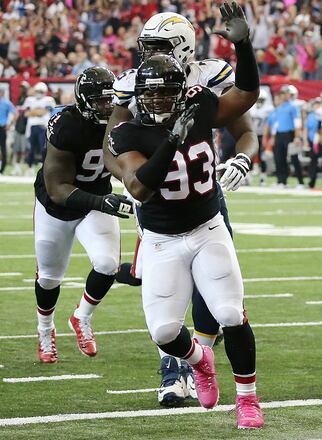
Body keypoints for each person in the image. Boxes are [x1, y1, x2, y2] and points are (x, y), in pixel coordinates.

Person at [108, 4, 262, 428]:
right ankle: (191, 361)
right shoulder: (130, 97)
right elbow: (120, 157)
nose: (146, 60)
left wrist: (244, 46)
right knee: (163, 325)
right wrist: (138, 161)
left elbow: (246, 107)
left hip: (203, 206)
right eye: (145, 49)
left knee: (228, 307)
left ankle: (245, 395)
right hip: (157, 215)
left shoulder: (204, 90)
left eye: (156, 49)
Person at [33, 67, 132, 364]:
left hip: (97, 198)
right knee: (49, 278)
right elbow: (57, 188)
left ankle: (81, 317)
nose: (107, 106)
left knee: (106, 264)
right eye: (101, 101)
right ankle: (45, 329)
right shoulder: (66, 125)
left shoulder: (123, 118)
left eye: (110, 100)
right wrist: (103, 203)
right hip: (58, 206)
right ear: (83, 101)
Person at [270, 85, 302, 188]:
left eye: (287, 93)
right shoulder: (279, 108)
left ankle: (300, 182)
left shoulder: (293, 106)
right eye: (283, 93)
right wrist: (274, 137)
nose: (285, 95)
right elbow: (277, 124)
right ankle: (282, 181)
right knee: (279, 158)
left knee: (294, 158)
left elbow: (297, 122)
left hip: (290, 134)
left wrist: (297, 136)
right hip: (280, 134)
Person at [23, 82, 56, 169]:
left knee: (43, 148)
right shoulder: (29, 100)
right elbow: (26, 114)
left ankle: (44, 166)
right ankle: (30, 167)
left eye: (41, 91)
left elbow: (44, 112)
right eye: (37, 91)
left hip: (43, 127)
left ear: (45, 92)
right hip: (31, 127)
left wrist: (33, 112)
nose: (39, 93)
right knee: (30, 149)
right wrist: (38, 111)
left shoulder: (49, 100)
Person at [0, 89, 15, 174]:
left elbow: (15, 113)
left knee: (3, 147)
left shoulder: (6, 102)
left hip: (2, 127)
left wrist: (10, 124)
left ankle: (3, 168)